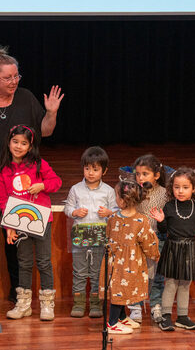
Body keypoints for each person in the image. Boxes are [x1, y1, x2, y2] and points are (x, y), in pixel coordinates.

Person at [0, 45, 64, 303]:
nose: (14, 82)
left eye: (16, 76)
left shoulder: (25, 97)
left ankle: (20, 296)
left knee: (17, 244)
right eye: (7, 78)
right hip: (2, 180)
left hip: (19, 185)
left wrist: (51, 112)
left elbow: (45, 131)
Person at [0, 125, 61, 321]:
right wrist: (9, 226)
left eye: (23, 143)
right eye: (15, 142)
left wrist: (43, 185)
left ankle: (47, 304)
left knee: (44, 262)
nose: (18, 146)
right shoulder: (4, 169)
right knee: (24, 263)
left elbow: (56, 182)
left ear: (30, 146)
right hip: (19, 223)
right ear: (9, 142)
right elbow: (3, 200)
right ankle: (23, 304)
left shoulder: (38, 164)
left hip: (41, 220)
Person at [150, 167, 195, 331]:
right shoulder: (169, 207)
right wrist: (160, 220)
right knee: (171, 283)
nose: (180, 191)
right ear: (171, 188)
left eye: (185, 187)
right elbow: (164, 230)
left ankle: (182, 316)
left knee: (185, 284)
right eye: (177, 187)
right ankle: (165, 316)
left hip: (190, 249)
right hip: (173, 248)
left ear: (194, 188)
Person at [64, 146, 118, 318]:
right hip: (80, 236)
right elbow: (67, 207)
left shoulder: (109, 191)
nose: (91, 173)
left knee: (96, 272)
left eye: (95, 169)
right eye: (87, 168)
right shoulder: (75, 189)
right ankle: (79, 304)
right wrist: (74, 212)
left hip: (100, 236)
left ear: (104, 170)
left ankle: (96, 304)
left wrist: (109, 213)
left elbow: (117, 210)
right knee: (79, 272)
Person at [100, 180, 160, 335]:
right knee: (120, 291)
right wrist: (155, 254)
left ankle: (121, 317)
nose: (115, 199)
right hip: (129, 262)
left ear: (123, 200)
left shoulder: (113, 217)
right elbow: (148, 243)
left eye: (116, 196)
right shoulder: (141, 220)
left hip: (114, 260)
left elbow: (108, 234)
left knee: (119, 289)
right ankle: (112, 323)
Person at [128, 154, 167, 324]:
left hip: (158, 238)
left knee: (157, 275)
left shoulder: (165, 193)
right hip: (138, 240)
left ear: (156, 175)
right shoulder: (134, 192)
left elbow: (168, 219)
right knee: (137, 274)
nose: (140, 177)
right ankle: (135, 307)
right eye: (137, 174)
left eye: (145, 174)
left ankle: (156, 305)